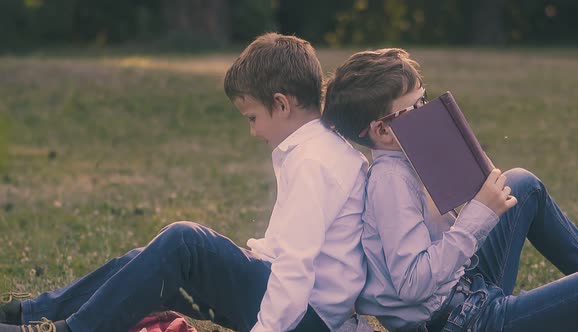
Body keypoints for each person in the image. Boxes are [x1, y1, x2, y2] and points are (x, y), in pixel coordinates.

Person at [0, 33, 369, 332]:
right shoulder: (316, 149)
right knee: (144, 262)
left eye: (252, 117)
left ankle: (71, 330)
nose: (253, 131)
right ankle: (26, 313)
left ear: (282, 104)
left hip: (307, 316)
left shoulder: (315, 161)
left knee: (184, 241)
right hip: (295, 302)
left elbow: (295, 269)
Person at [321, 48, 578, 332]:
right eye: (414, 108)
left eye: (424, 99)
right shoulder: (391, 182)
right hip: (464, 322)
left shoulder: (410, 157)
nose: (426, 111)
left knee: (523, 184)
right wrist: (479, 215)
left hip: (466, 290)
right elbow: (413, 283)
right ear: (383, 131)